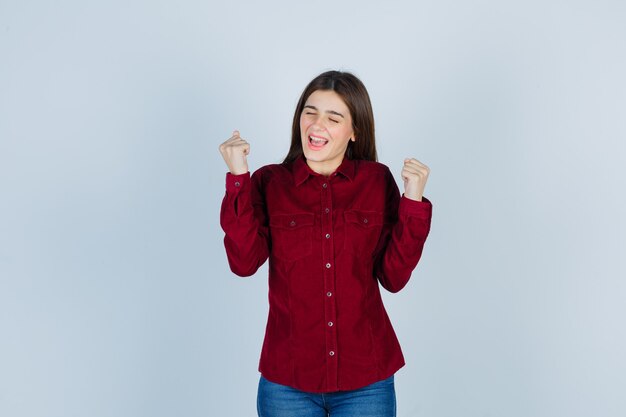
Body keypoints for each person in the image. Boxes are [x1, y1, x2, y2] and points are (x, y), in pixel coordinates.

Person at [219, 70, 432, 417]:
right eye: (310, 112)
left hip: (367, 381)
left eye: (333, 118)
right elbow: (243, 263)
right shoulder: (269, 183)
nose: (317, 125)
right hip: (287, 383)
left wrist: (413, 202)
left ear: (354, 131)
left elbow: (393, 277)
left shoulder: (377, 182)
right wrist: (239, 177)